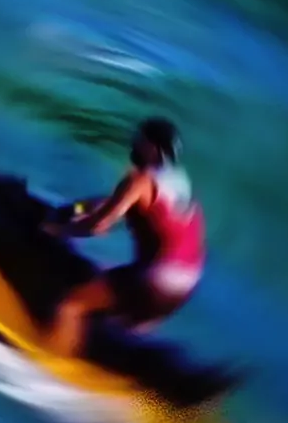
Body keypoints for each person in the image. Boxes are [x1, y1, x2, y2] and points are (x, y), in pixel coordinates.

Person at [42, 118, 206, 358]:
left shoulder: (139, 180)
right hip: (185, 285)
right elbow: (115, 204)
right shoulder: (181, 182)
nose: (133, 144)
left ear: (152, 148)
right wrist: (77, 207)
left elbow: (98, 225)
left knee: (71, 305)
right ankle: (108, 361)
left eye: (139, 139)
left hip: (155, 280)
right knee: (118, 312)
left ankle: (48, 363)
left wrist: (56, 230)